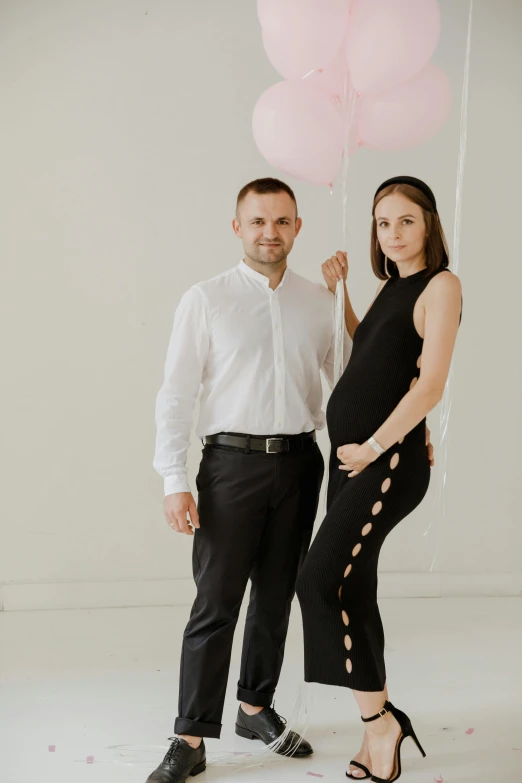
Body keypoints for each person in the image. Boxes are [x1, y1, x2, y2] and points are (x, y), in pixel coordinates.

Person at [146, 177, 353, 783]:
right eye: (258, 221)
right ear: (238, 227)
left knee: (274, 596)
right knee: (215, 604)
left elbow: (350, 377)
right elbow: (177, 392)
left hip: (299, 462)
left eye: (282, 221)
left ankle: (254, 706)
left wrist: (343, 296)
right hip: (230, 468)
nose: (271, 232)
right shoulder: (206, 299)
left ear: (297, 226)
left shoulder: (318, 300)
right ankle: (190, 737)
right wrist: (172, 477)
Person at [296, 176, 462, 783]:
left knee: (317, 580)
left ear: (430, 225)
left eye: (405, 221)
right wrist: (341, 292)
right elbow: (368, 349)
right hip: (357, 461)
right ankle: (380, 729)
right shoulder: (394, 286)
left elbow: (430, 384)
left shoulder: (442, 285)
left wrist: (374, 446)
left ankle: (380, 724)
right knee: (352, 589)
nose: (392, 233)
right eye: (382, 223)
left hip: (383, 462)